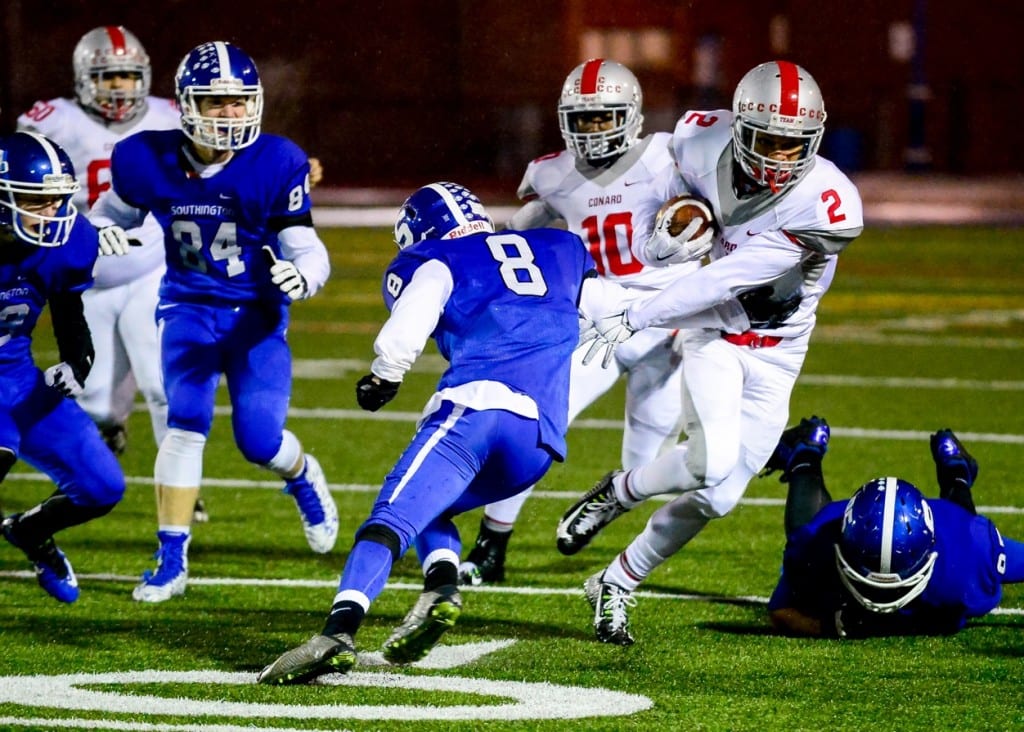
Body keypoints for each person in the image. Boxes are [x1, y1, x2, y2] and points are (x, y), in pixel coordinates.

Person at [557, 60, 864, 645]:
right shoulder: (698, 142)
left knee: (718, 498)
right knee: (708, 462)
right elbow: (667, 189)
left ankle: (615, 576)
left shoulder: (829, 204)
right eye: (767, 140)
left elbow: (728, 279)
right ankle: (619, 493)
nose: (777, 155)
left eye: (791, 143)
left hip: (778, 348)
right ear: (740, 127)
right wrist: (667, 228)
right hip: (716, 335)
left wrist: (639, 314)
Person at [88, 41, 337, 603]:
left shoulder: (276, 160)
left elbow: (304, 242)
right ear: (186, 104)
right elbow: (113, 211)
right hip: (188, 306)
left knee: (259, 440)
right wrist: (99, 228)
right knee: (185, 422)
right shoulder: (142, 157)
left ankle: (301, 475)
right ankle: (172, 559)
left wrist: (305, 276)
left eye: (238, 101)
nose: (230, 113)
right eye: (216, 101)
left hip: (256, 314)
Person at [458, 58, 712, 586]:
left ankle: (605, 503)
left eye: (605, 117)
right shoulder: (552, 173)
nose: (594, 129)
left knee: (644, 458)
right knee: (535, 426)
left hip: (668, 325)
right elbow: (520, 233)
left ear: (633, 114)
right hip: (595, 321)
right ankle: (490, 546)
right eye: (585, 118)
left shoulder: (670, 157)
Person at [0, 131, 126, 603]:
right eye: (38, 200)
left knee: (101, 486)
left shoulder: (68, 240)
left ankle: (29, 532)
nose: (53, 212)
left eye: (57, 199)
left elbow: (71, 319)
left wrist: (76, 367)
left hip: (14, 376)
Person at [764, 417, 1024, 638]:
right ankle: (805, 451)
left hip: (955, 531)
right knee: (804, 531)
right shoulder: (818, 537)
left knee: (962, 531)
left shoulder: (971, 550)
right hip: (836, 539)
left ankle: (957, 472)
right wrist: (833, 625)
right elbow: (781, 612)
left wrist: (850, 625)